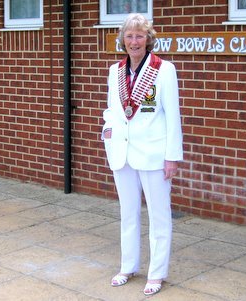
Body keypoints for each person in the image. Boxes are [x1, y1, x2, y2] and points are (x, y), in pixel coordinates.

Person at [101, 13, 183, 296]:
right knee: (128, 214)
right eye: (129, 36)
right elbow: (112, 108)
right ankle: (128, 266)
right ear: (122, 40)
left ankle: (157, 273)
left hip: (154, 154)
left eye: (139, 36)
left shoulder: (164, 69)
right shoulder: (115, 70)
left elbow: (173, 117)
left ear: (148, 39)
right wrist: (108, 129)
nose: (134, 41)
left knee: (159, 217)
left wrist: (172, 156)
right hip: (122, 152)